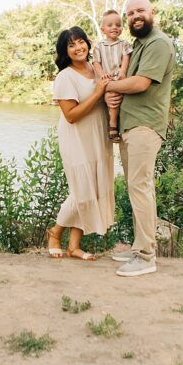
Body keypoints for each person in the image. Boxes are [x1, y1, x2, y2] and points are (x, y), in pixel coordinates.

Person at [104, 0, 176, 277]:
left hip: (145, 126)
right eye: (130, 12)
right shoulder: (139, 44)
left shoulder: (158, 43)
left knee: (140, 188)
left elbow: (140, 83)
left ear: (152, 13)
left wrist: (110, 85)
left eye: (140, 10)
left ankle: (146, 257)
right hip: (131, 125)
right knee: (140, 189)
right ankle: (140, 247)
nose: (135, 16)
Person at [45, 26, 115, 261]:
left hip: (98, 136)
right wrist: (97, 92)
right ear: (65, 51)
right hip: (76, 138)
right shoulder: (65, 76)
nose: (78, 48)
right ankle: (55, 233)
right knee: (81, 191)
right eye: (71, 45)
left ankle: (74, 246)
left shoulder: (95, 69)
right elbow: (71, 115)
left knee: (93, 189)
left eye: (81, 42)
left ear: (87, 42)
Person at [91, 9, 133, 144]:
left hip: (119, 76)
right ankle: (113, 125)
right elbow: (96, 62)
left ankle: (117, 124)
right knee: (113, 98)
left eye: (118, 25)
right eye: (110, 25)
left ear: (121, 28)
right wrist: (102, 75)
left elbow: (126, 58)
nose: (114, 27)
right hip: (107, 78)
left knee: (119, 98)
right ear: (103, 29)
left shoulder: (124, 44)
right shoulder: (99, 46)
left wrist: (123, 71)